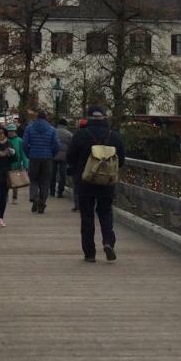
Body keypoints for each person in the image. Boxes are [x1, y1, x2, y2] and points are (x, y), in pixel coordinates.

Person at [66, 106, 126, 262]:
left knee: (87, 215)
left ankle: (90, 253)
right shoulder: (114, 136)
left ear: (88, 118)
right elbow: (122, 160)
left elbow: (70, 157)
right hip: (107, 182)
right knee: (105, 212)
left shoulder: (81, 135)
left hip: (85, 181)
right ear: (105, 118)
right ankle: (108, 241)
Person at [22, 110, 60, 214]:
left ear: (37, 117)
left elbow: (24, 144)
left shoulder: (29, 128)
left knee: (33, 179)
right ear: (46, 118)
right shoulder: (52, 130)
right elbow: (57, 145)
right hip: (47, 158)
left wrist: (28, 154)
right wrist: (52, 154)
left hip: (34, 157)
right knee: (45, 181)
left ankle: (35, 197)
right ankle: (42, 203)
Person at [6, 122, 27, 204]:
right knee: (6, 182)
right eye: (9, 131)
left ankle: (15, 198)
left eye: (12, 131)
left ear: (15, 131)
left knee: (16, 182)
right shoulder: (5, 140)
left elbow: (23, 153)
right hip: (6, 164)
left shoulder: (19, 140)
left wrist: (24, 164)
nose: (11, 133)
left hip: (16, 164)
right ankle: (6, 197)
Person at [51, 117, 73, 198]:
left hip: (53, 155)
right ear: (65, 125)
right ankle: (60, 191)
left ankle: (52, 191)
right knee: (62, 174)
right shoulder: (69, 134)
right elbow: (71, 146)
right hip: (64, 157)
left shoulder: (53, 132)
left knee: (52, 174)